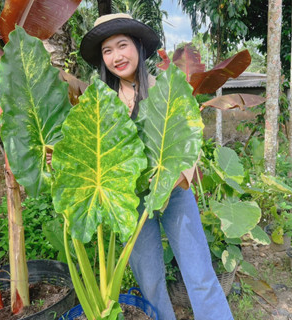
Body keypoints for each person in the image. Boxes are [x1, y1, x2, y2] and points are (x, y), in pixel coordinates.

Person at [79, 13, 234, 320]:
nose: (115, 56)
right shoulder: (101, 102)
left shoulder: (166, 89)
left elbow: (188, 138)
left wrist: (173, 179)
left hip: (174, 190)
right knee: (148, 280)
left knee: (199, 273)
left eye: (121, 45)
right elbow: (90, 149)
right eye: (107, 51)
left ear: (138, 46)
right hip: (131, 201)